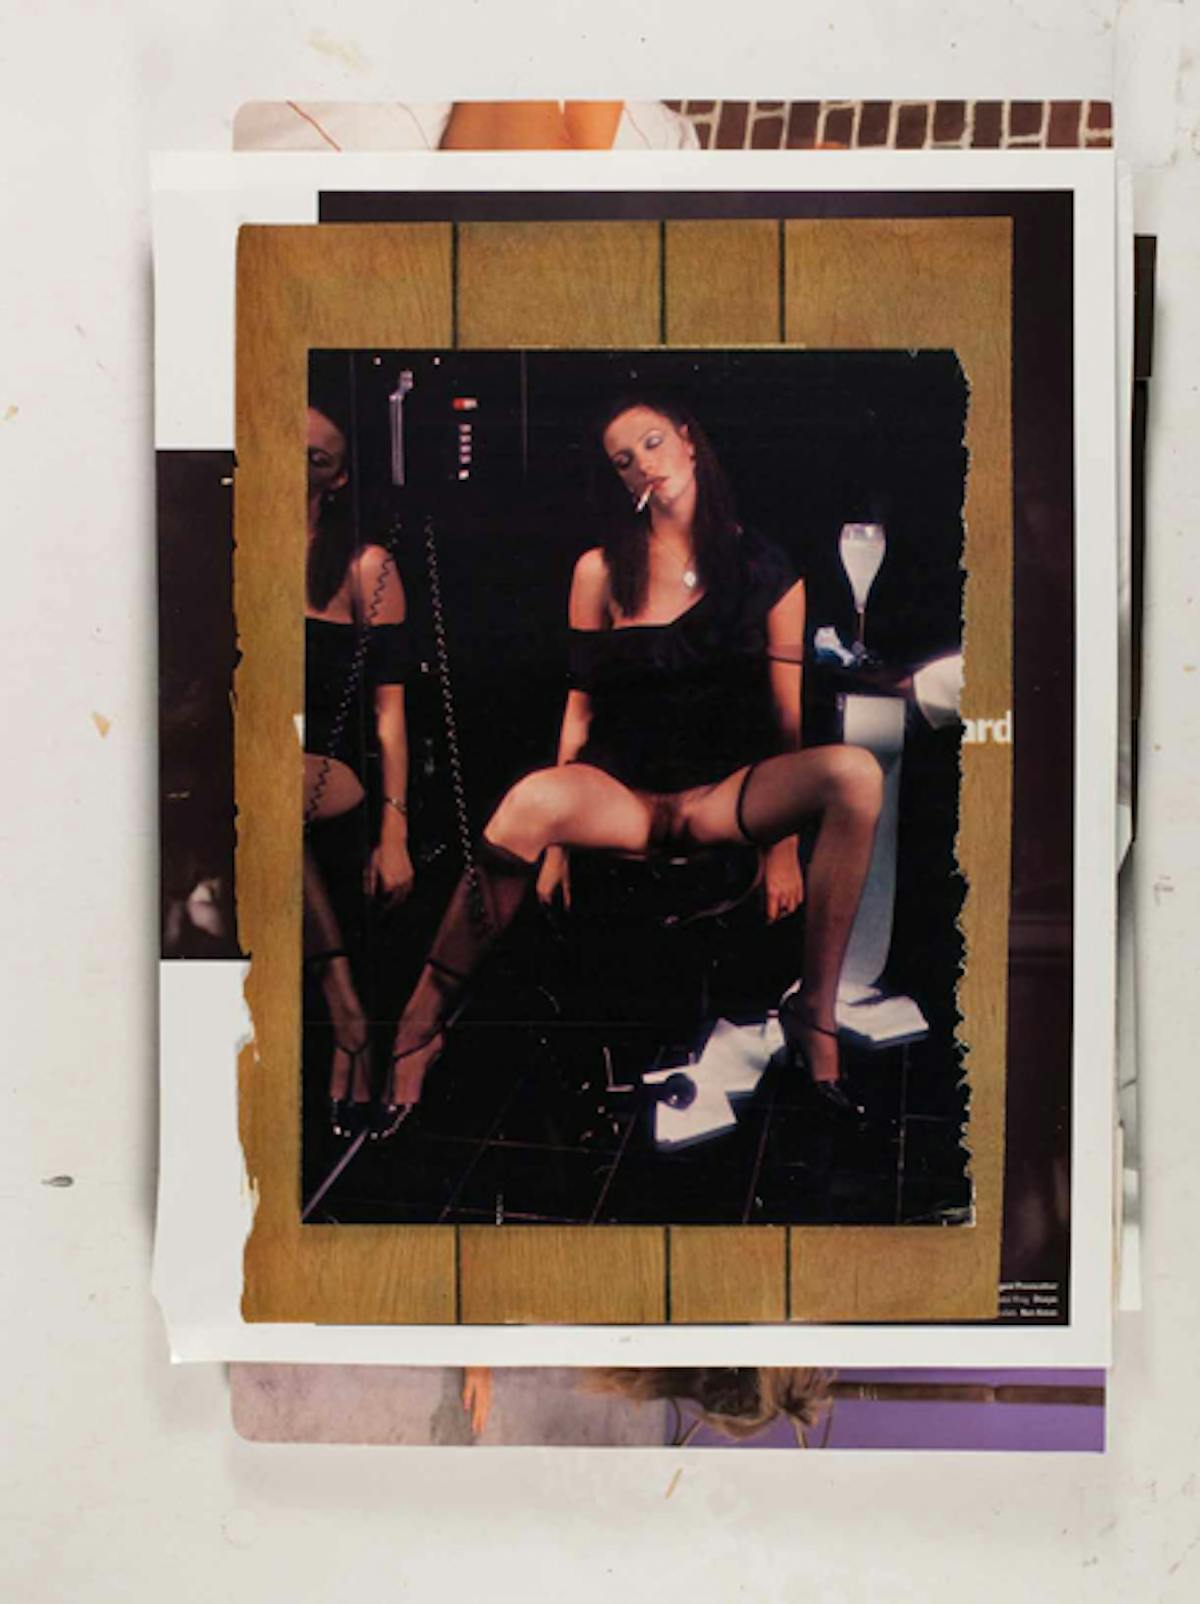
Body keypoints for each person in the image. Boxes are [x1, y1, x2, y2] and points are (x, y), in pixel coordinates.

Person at [375, 395, 884, 1138]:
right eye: (624, 460)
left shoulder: (768, 571)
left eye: (651, 443)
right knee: (525, 803)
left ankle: (815, 1013)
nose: (643, 464)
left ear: (688, 441)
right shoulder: (600, 570)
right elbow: (579, 712)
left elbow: (785, 720)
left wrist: (781, 852)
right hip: (625, 793)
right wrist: (555, 848)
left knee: (856, 775)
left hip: (720, 793)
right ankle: (418, 1028)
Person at [303, 387, 413, 1136]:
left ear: (337, 479)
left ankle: (346, 1009)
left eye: (315, 458)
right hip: (251, 765)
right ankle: (344, 1003)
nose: (295, 467)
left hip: (332, 767)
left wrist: (394, 830)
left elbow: (390, 712)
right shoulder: (228, 547)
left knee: (254, 789)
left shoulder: (364, 566)